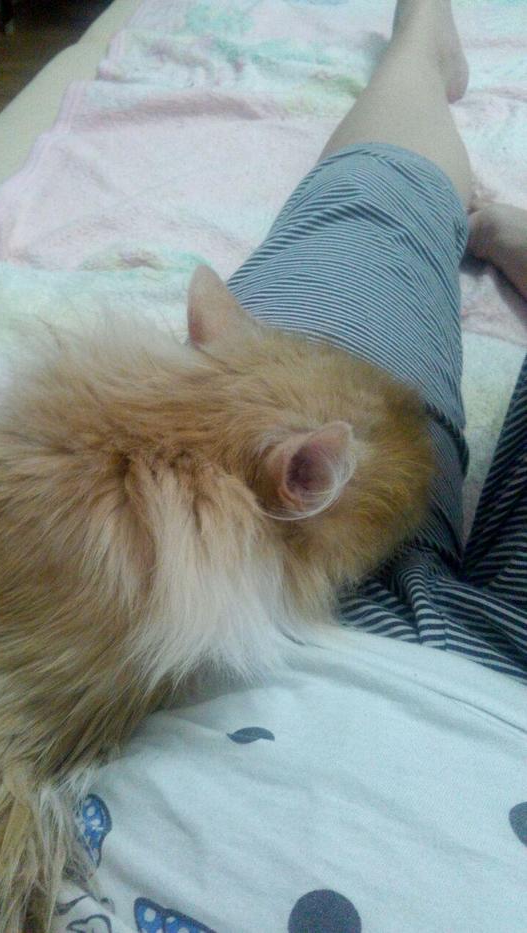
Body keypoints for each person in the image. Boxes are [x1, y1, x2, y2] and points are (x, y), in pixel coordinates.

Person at [226, 0, 527, 681]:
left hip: (373, 639)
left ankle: (419, 51)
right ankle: (423, 58)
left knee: (372, 211)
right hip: (446, 657)